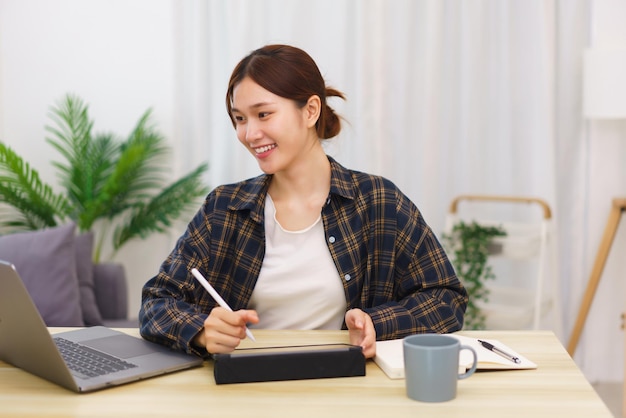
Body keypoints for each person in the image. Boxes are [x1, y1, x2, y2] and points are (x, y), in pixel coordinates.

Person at [139, 44, 467, 359]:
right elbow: (156, 302)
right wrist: (200, 330)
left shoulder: (378, 202)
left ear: (310, 110)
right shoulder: (224, 208)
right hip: (245, 387)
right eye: (240, 119)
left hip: (346, 386)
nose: (249, 134)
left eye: (263, 114)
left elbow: (446, 299)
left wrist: (377, 323)